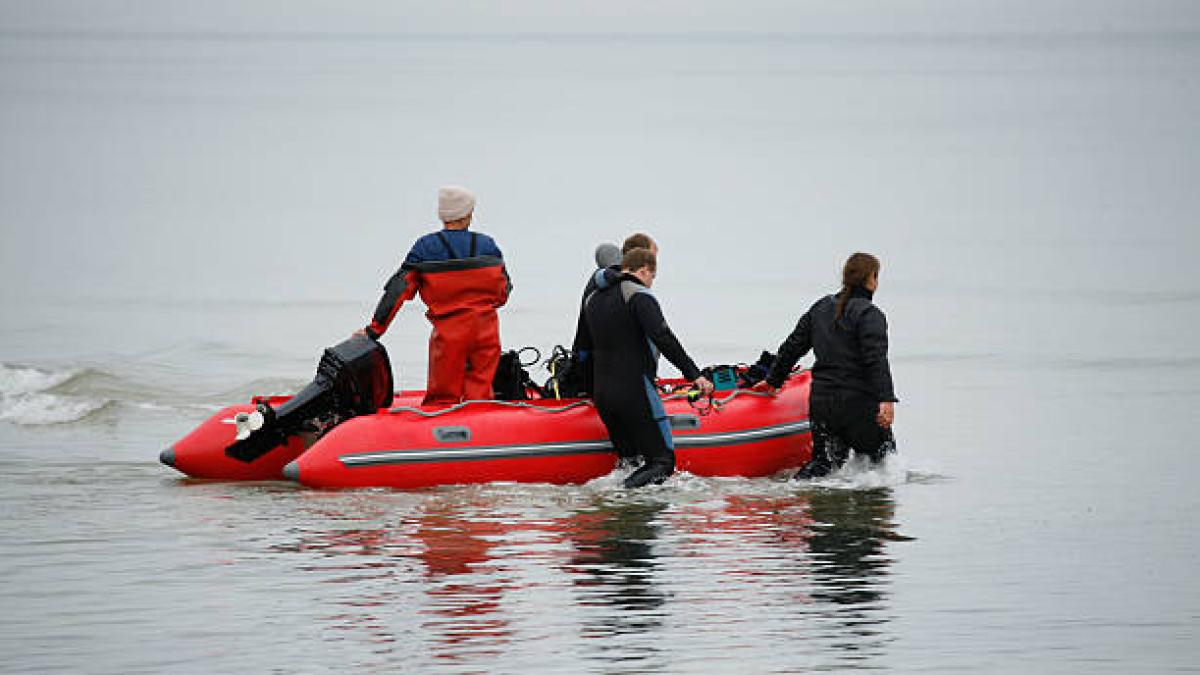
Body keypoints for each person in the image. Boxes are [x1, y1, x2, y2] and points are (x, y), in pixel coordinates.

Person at [361, 186, 511, 405]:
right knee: (480, 396)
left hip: (449, 333)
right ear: (468, 214)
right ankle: (481, 428)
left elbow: (397, 291)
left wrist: (374, 330)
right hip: (485, 330)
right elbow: (504, 291)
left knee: (442, 399)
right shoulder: (487, 245)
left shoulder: (425, 248)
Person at [753, 252, 898, 478]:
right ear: (872, 279)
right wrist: (886, 399)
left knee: (824, 464)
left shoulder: (820, 307)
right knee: (883, 466)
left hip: (823, 403)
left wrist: (773, 380)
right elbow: (875, 360)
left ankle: (798, 490)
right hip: (858, 404)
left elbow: (792, 346)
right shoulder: (870, 314)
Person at [580, 247, 714, 488]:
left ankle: (621, 511)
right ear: (643, 271)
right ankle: (621, 495)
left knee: (630, 462)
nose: (652, 282)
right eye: (653, 276)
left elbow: (582, 349)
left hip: (603, 394)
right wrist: (695, 376)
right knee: (662, 463)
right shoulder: (638, 295)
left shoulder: (592, 299)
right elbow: (663, 337)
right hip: (634, 391)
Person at [569, 233, 659, 394]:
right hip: (601, 376)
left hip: (599, 371)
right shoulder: (621, 289)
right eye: (652, 260)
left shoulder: (607, 281)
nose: (654, 271)